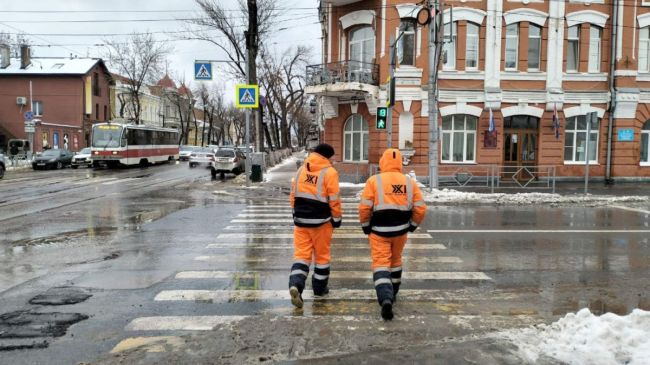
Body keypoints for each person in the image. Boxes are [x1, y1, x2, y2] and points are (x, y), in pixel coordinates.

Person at [359, 148, 427, 320]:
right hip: (400, 231)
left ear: (383, 162)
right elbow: (420, 208)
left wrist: (366, 226)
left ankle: (385, 298)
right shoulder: (409, 182)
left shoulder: (374, 181)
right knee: (395, 261)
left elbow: (365, 207)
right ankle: (394, 292)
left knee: (381, 263)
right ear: (399, 163)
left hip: (379, 231)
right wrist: (411, 226)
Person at [288, 143, 342, 308]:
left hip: (301, 221)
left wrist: (294, 214)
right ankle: (319, 289)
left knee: (302, 256)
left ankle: (296, 285)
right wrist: (337, 219)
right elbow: (334, 199)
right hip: (321, 222)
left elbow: (293, 195)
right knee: (322, 257)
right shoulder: (330, 172)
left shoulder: (301, 170)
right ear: (326, 156)